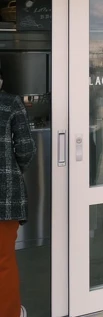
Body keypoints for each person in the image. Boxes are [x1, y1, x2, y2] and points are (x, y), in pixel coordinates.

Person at [0, 69, 36, 317]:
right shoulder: (11, 103)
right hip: (4, 197)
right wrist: (12, 172)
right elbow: (25, 150)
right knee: (3, 262)